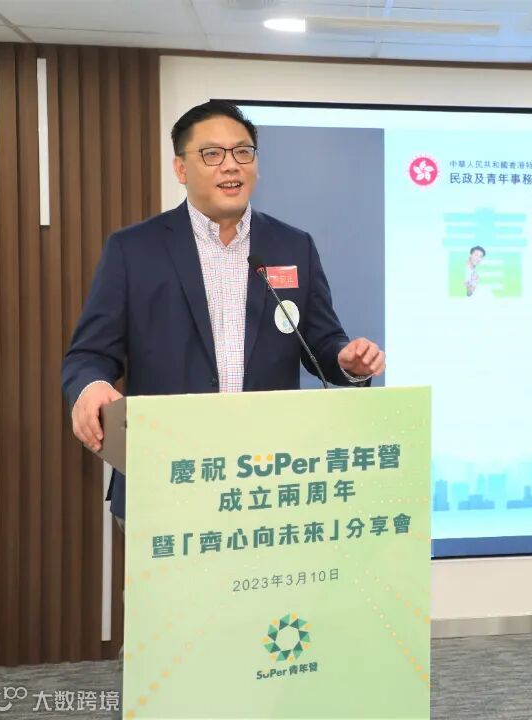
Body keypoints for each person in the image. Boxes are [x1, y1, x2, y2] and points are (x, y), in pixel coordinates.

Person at [61, 100, 385, 526]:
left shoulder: (293, 245)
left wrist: (346, 360)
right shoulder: (134, 249)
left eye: (243, 152)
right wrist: (91, 387)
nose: (231, 165)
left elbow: (321, 342)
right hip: (168, 476)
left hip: (268, 480)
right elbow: (89, 354)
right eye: (212, 154)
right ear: (181, 169)